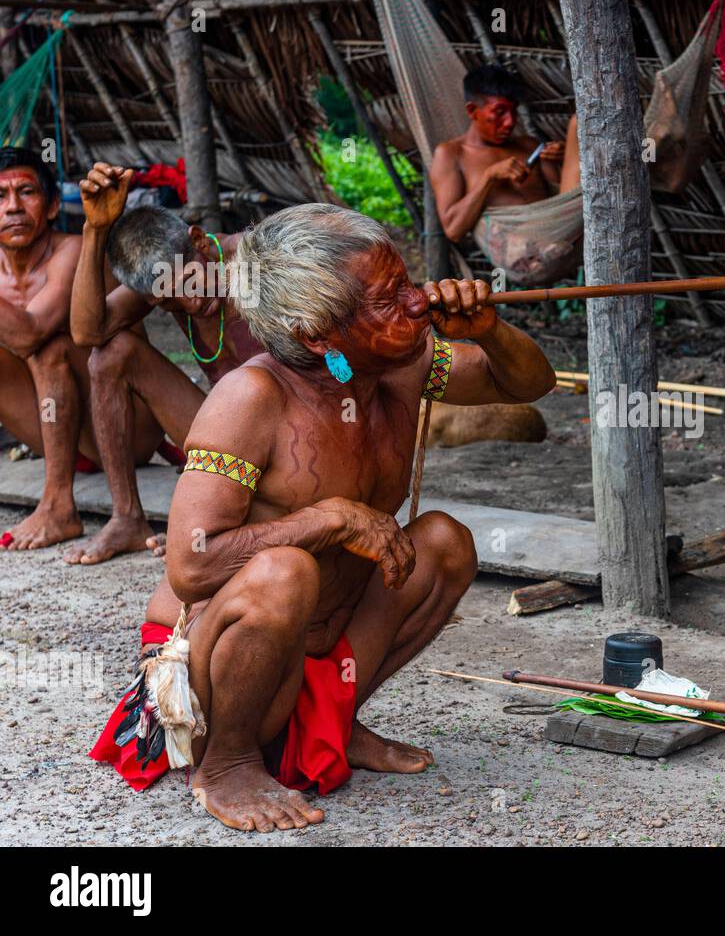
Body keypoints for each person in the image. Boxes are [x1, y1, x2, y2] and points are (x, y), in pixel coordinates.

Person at [91, 203, 556, 831]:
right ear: (317, 334)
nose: (418, 303)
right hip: (213, 666)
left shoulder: (402, 363)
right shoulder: (250, 399)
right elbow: (191, 565)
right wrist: (330, 518)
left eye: (408, 283)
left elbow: (527, 384)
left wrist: (490, 329)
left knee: (444, 542)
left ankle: (334, 720)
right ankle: (228, 765)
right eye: (390, 299)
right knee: (285, 571)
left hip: (320, 647)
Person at [63, 162, 260, 564]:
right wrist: (94, 230)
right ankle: (127, 518)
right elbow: (88, 332)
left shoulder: (254, 261)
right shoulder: (163, 282)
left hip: (288, 439)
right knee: (111, 355)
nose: (190, 303)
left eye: (189, 280)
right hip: (230, 444)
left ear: (199, 241)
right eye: (168, 301)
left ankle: (246, 521)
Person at [0, 147, 151, 551]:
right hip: (67, 432)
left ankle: (58, 505)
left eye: (26, 192)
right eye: (0, 197)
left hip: (129, 430)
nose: (12, 207)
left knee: (49, 346)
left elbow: (29, 333)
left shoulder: (70, 252)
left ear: (51, 207)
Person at [430, 63, 579, 242]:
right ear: (472, 111)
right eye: (499, 112)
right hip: (518, 249)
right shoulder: (451, 154)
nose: (510, 121)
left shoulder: (529, 146)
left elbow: (563, 199)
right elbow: (453, 231)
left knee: (578, 123)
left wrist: (564, 157)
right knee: (577, 122)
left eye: (513, 110)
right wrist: (489, 177)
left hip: (559, 231)